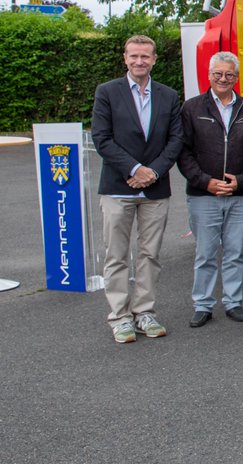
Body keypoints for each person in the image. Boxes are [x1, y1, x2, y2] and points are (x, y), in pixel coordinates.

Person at [92, 34, 183, 343]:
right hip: (119, 187)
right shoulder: (107, 92)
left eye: (145, 56)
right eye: (134, 56)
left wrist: (152, 172)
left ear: (154, 59)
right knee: (116, 256)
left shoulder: (169, 95)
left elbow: (175, 140)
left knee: (150, 254)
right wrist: (135, 169)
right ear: (125, 58)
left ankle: (144, 312)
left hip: (155, 190)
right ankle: (119, 317)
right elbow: (102, 138)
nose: (140, 61)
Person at [177, 52, 243, 327]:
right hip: (204, 194)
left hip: (239, 194)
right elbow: (183, 153)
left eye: (229, 74)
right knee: (205, 253)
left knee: (235, 252)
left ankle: (233, 302)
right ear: (209, 75)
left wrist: (242, 180)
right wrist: (206, 181)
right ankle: (203, 305)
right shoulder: (191, 108)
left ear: (237, 78)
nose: (223, 79)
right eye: (218, 74)